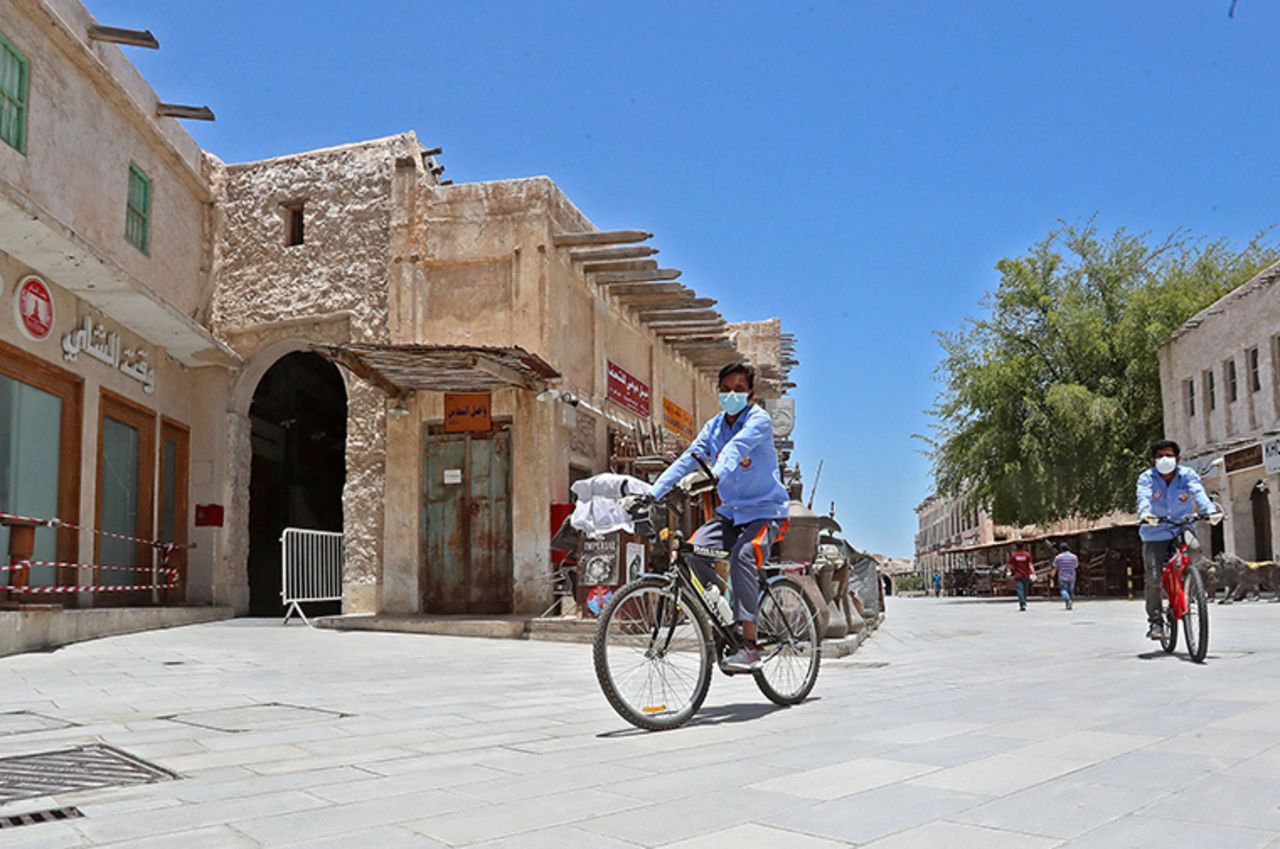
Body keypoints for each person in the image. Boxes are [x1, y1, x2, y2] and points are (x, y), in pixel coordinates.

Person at [649, 362, 790, 672]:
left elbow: (735, 450)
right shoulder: (713, 427)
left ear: (750, 393)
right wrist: (653, 493)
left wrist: (711, 475)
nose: (732, 394)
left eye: (739, 389)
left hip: (766, 510)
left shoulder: (759, 420)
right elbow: (688, 458)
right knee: (693, 552)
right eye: (726, 389)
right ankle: (725, 616)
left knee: (742, 555)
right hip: (731, 512)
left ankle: (750, 646)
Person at [1136, 439, 1222, 641]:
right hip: (1154, 531)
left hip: (1182, 526)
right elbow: (1144, 497)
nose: (1164, 459)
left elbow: (1199, 494)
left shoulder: (1187, 475)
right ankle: (1156, 621)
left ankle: (1194, 584)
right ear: (1153, 460)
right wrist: (1146, 513)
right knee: (1153, 577)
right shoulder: (1147, 478)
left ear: (1178, 458)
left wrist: (1210, 512)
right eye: (1159, 456)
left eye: (1169, 455)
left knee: (1195, 549)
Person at [1007, 541, 1034, 611]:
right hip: (1026, 575)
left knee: (1020, 590)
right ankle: (1023, 602)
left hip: (1018, 576)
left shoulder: (1014, 556)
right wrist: (1033, 573)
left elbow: (1009, 564)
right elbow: (1030, 565)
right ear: (1023, 546)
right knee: (1025, 590)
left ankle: (1022, 603)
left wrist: (1009, 571)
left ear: (1016, 547)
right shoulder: (1027, 555)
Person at [1052, 542, 1078, 610]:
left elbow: (1055, 567)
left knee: (1063, 590)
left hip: (1062, 576)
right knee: (1071, 590)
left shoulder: (1058, 557)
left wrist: (1052, 575)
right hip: (1072, 576)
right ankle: (1069, 603)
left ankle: (1068, 600)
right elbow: (1076, 566)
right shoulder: (1074, 557)